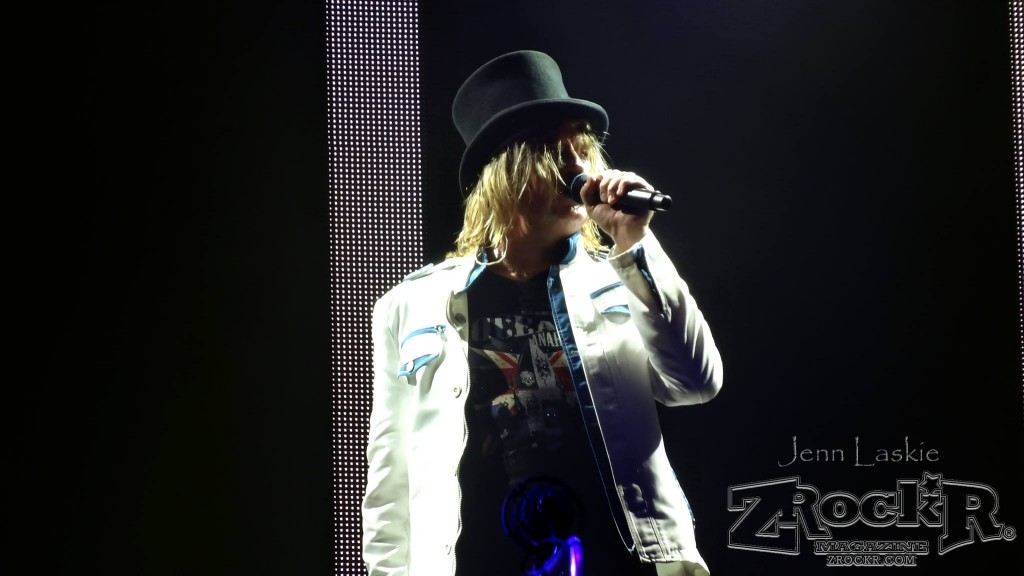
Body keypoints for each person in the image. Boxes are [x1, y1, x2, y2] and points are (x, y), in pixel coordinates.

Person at [362, 50, 723, 576]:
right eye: (557, 155)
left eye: (584, 151)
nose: (580, 171)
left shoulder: (621, 274)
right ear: (504, 175)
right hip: (485, 556)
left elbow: (696, 382)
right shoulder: (412, 304)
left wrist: (635, 242)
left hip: (621, 556)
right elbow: (390, 476)